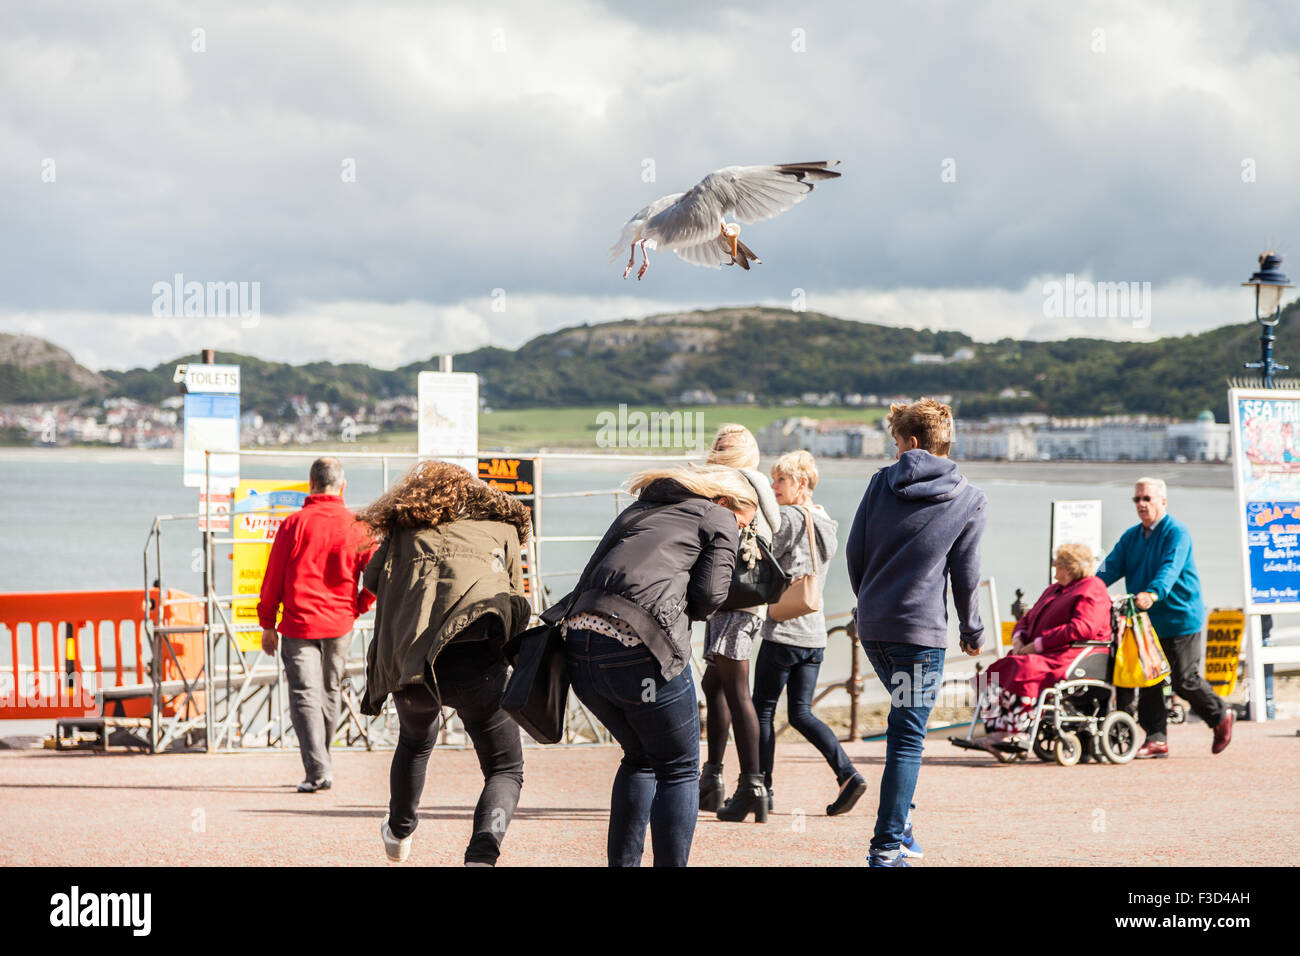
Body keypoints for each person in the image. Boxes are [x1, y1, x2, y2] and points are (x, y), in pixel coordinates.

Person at [543, 465, 754, 866]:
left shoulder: (641, 508)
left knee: (639, 758)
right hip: (640, 646)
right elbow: (710, 595)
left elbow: (593, 573)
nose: (742, 532)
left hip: (580, 645)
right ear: (726, 501)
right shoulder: (717, 515)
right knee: (679, 768)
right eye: (746, 524)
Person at [357, 461, 533, 865]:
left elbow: (370, 581)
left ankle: (400, 830)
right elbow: (514, 599)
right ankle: (481, 854)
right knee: (505, 768)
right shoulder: (502, 529)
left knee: (415, 742)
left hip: (412, 661)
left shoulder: (404, 531)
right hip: (479, 662)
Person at [846, 398, 987, 867]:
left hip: (875, 628)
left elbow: (855, 552)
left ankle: (900, 821)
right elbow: (966, 577)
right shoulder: (969, 498)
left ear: (909, 442)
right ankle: (887, 845)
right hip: (920, 636)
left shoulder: (880, 483)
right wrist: (972, 629)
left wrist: (869, 601)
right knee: (907, 735)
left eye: (895, 443)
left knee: (903, 722)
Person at [752, 451, 864, 816]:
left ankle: (762, 789)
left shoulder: (787, 518)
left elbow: (761, 556)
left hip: (784, 631)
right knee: (801, 713)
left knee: (762, 711)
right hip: (814, 637)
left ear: (801, 483)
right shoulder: (825, 521)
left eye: (780, 481)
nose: (772, 487)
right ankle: (847, 773)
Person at [258, 457, 376, 793]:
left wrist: (267, 623)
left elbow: (273, 579)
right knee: (330, 690)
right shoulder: (359, 526)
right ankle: (322, 764)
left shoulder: (293, 524)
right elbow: (379, 574)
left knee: (304, 694)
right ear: (342, 485)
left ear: (310, 484)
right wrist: (359, 605)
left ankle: (317, 769)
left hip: (298, 624)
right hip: (340, 622)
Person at [1097, 477, 1234, 758]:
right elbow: (1109, 568)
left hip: (1181, 617)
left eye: (1147, 498)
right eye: (1137, 499)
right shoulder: (1131, 537)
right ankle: (1156, 738)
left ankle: (1220, 715)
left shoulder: (1176, 533)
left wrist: (1154, 593)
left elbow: (1170, 568)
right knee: (1151, 679)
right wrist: (1084, 589)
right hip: (1146, 621)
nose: (1141, 505)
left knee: (1185, 680)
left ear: (1163, 501)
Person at [698, 424, 780, 822]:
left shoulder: (734, 486)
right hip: (738, 601)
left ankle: (752, 785)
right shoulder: (759, 485)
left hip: (734, 601)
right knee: (712, 682)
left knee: (735, 689)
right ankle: (712, 778)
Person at [976, 543, 1112, 748]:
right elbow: (1028, 617)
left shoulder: (1092, 588)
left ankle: (1018, 731)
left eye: (1057, 562)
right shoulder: (1054, 589)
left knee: (1024, 669)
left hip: (1069, 654)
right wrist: (1019, 637)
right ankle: (996, 730)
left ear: (1070, 568)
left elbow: (1084, 628)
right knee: (994, 671)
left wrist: (1038, 644)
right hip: (1042, 653)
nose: (1054, 565)